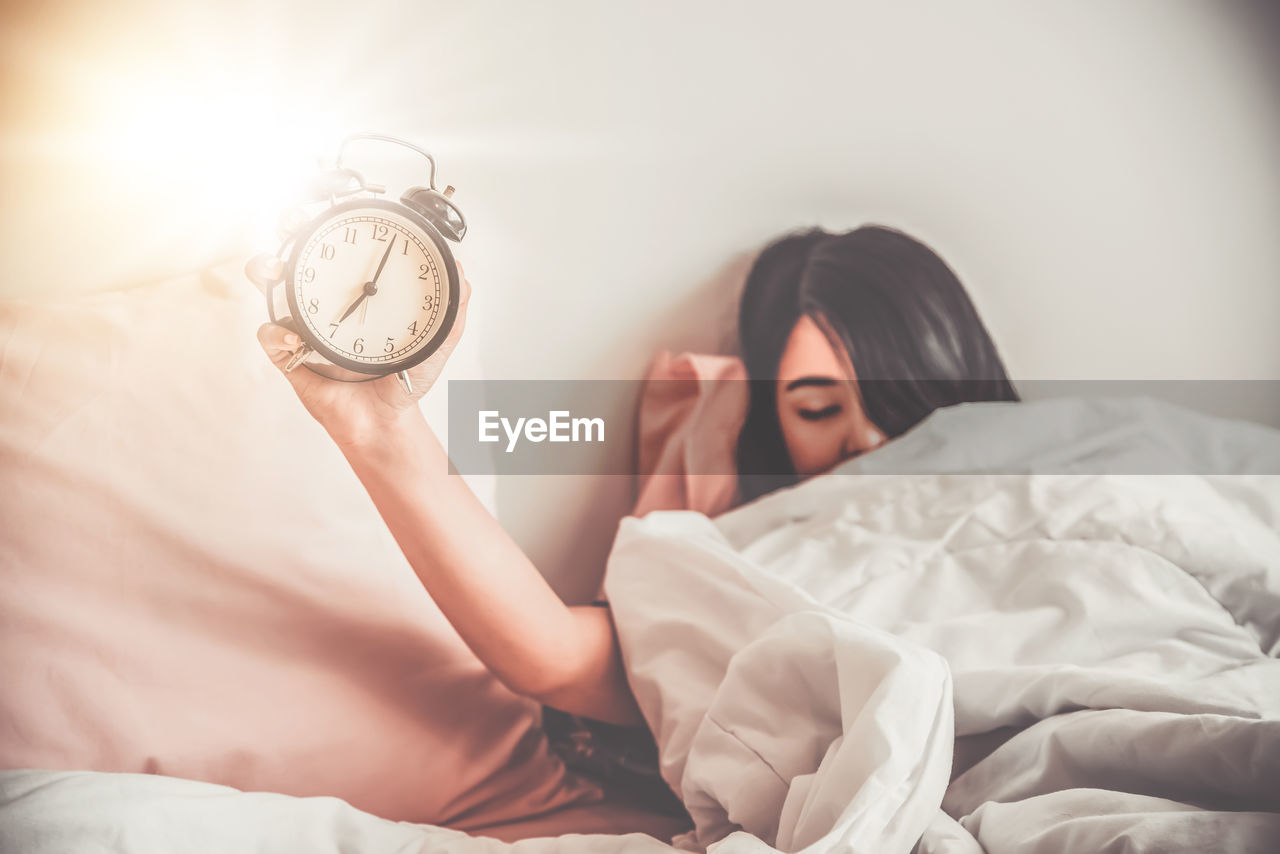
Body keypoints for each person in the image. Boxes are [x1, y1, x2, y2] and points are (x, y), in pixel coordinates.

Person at [254, 224, 1016, 808]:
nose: (868, 442)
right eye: (816, 408)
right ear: (770, 425)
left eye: (901, 400)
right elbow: (555, 655)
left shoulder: (1086, 471)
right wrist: (379, 429)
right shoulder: (758, 560)